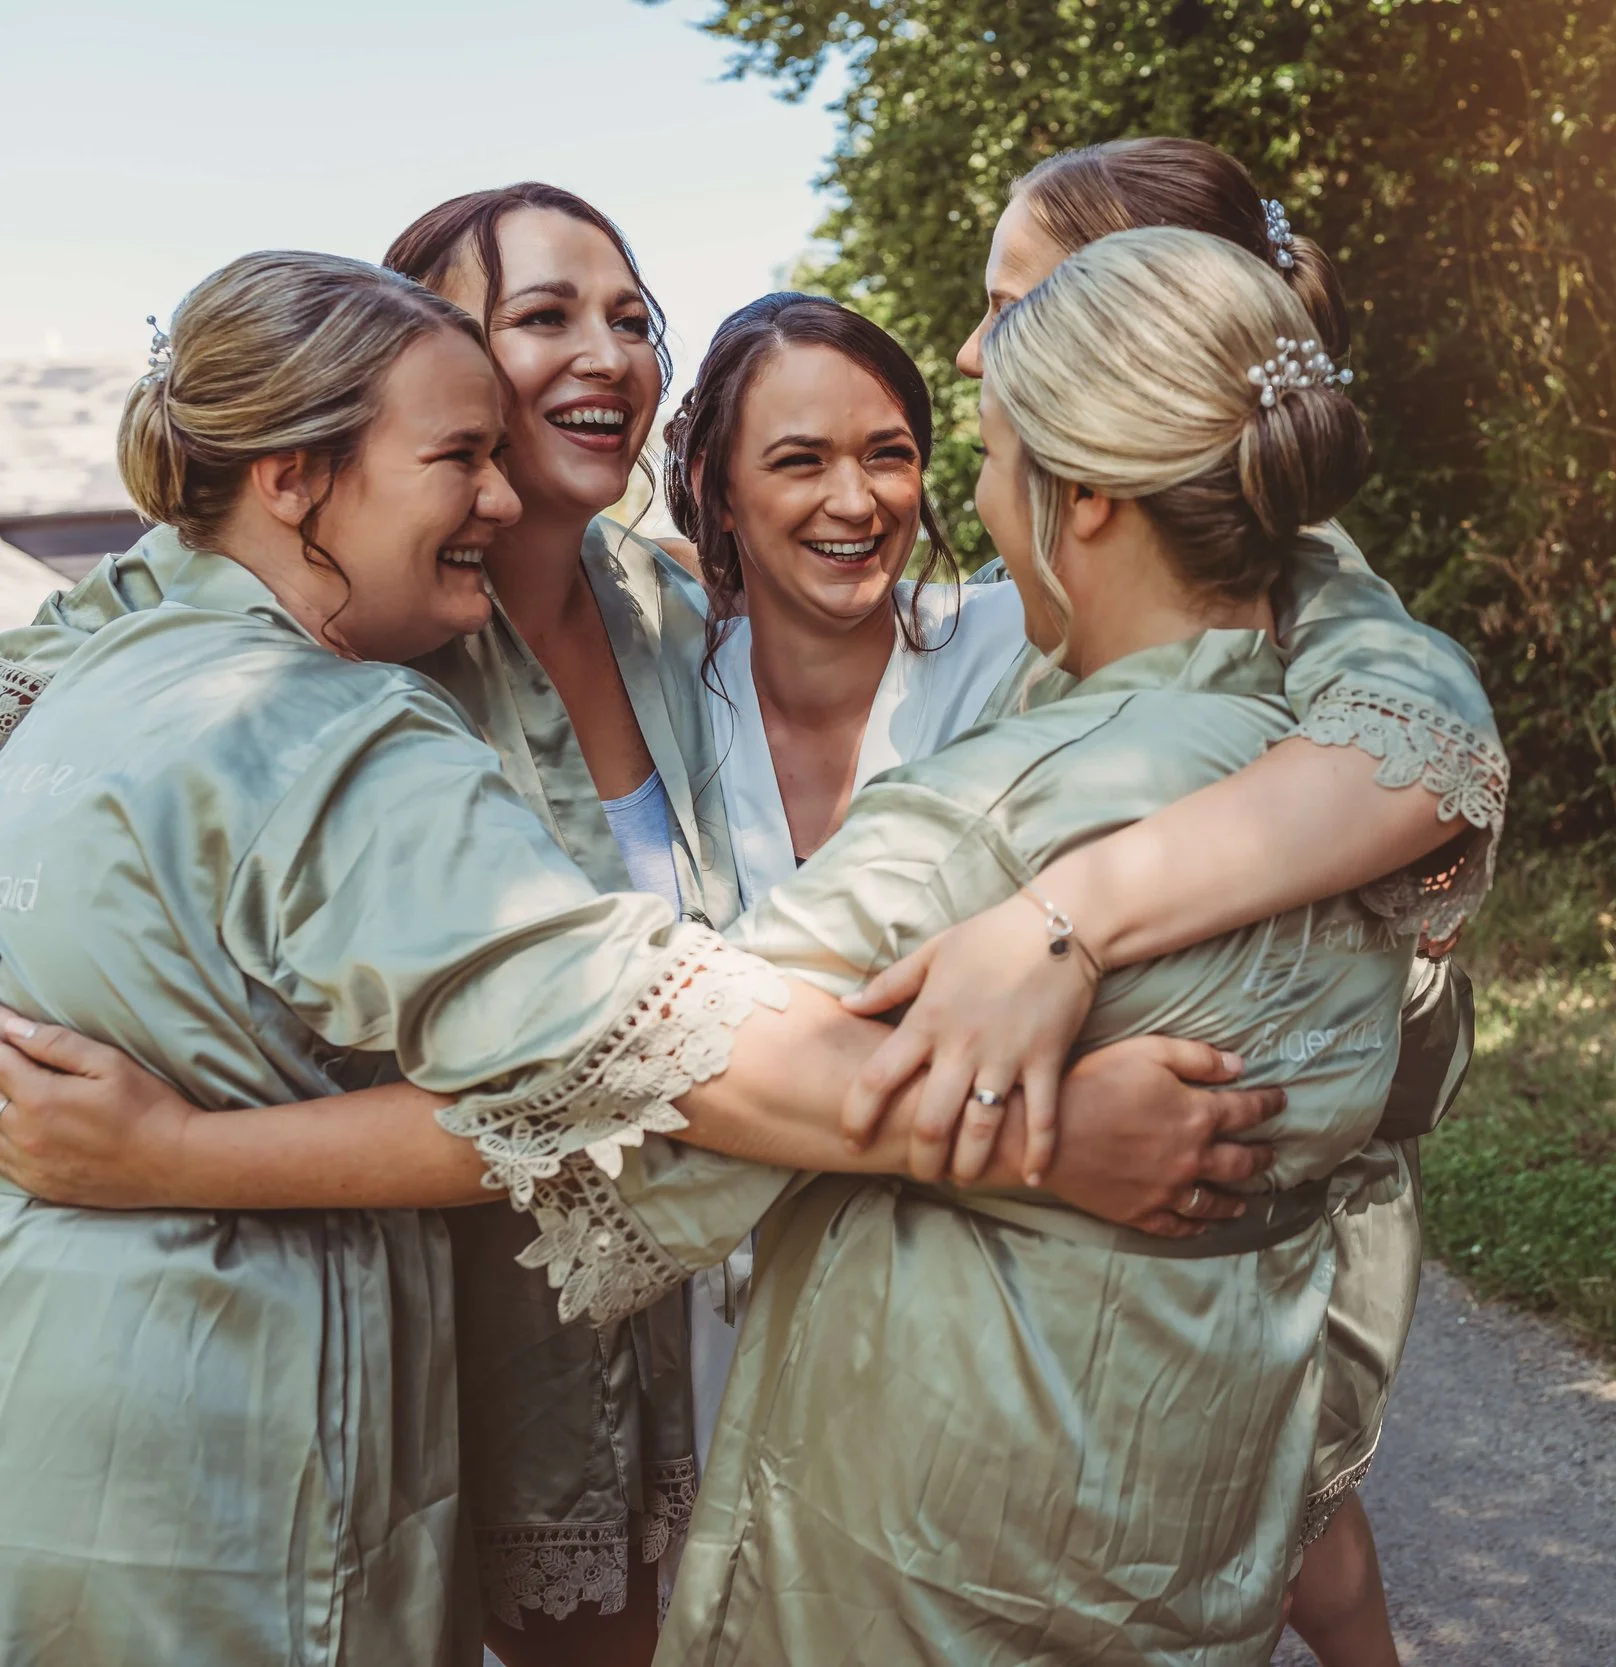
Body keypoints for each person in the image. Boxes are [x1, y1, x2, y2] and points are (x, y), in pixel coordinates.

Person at [0, 178, 1494, 1666]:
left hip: (710, 1328)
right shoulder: (304, 666)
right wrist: (1031, 1122)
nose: (604, 352)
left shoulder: (667, 615)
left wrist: (1066, 921)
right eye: (538, 320)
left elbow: (1388, 700)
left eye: (633, 315)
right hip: (457, 1330)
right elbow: (623, 1055)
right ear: (385, 381)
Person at [847, 135, 1498, 1666]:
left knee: (1294, 1534)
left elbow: (1422, 756)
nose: (965, 347)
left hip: (1280, 1172)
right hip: (1134, 1211)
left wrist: (1057, 926)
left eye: (1006, 303)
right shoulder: (1069, 579)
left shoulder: (1308, 580)